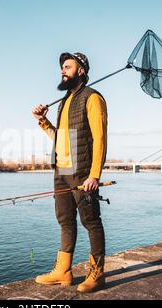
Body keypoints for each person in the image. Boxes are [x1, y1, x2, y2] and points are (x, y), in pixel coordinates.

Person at [32, 52, 108, 293]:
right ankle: (63, 272)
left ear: (81, 70)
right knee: (65, 220)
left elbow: (100, 139)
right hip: (62, 170)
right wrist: (44, 122)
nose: (62, 71)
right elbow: (61, 139)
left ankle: (97, 273)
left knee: (91, 221)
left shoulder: (93, 98)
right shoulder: (64, 101)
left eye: (67, 66)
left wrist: (94, 174)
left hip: (83, 171)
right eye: (62, 67)